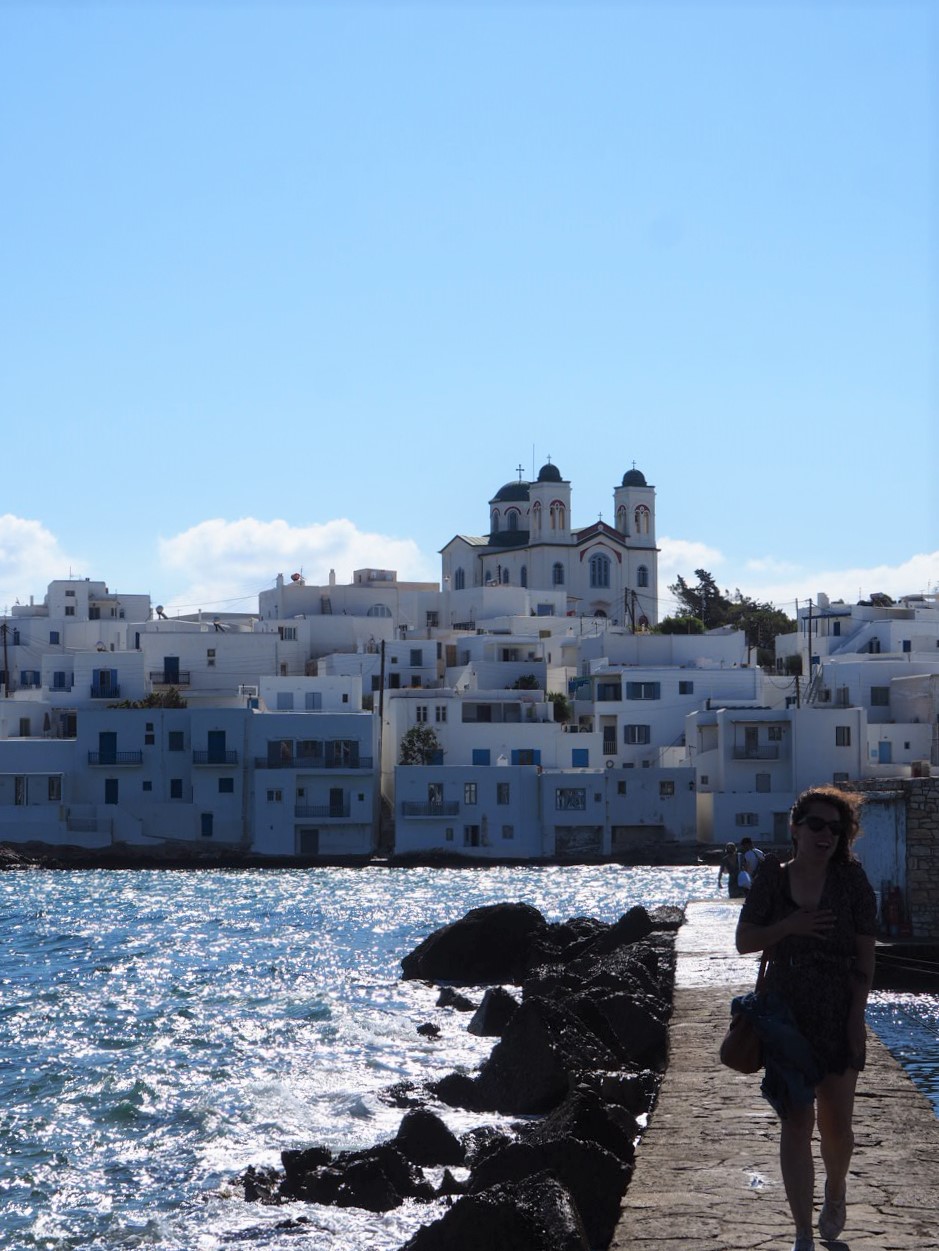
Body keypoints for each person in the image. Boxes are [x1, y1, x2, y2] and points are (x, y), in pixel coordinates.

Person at [735, 786, 876, 1251]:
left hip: (837, 1011)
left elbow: (865, 956)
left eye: (836, 828)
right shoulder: (773, 879)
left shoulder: (852, 882)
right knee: (797, 1122)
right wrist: (788, 927)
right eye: (816, 825)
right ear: (795, 828)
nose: (826, 835)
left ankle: (835, 1191)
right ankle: (801, 1234)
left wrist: (857, 1017)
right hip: (785, 1015)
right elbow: (745, 940)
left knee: (837, 1126)